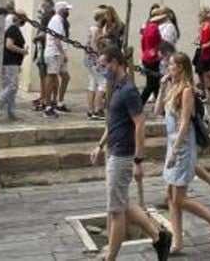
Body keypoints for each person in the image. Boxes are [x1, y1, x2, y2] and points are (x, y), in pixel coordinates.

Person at [89, 45, 172, 261]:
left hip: (123, 156)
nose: (102, 69)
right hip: (114, 150)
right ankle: (158, 237)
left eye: (104, 65)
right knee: (122, 203)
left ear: (116, 63)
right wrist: (100, 145)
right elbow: (114, 123)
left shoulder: (128, 91)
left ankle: (111, 257)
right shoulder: (116, 87)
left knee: (116, 211)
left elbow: (140, 124)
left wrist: (138, 160)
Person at [161, 52, 210, 254]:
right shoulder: (172, 89)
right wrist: (162, 86)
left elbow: (185, 124)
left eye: (171, 64)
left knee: (179, 198)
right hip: (172, 145)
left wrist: (176, 151)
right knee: (171, 197)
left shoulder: (187, 91)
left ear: (180, 67)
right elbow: (157, 111)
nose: (168, 67)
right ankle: (177, 242)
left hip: (182, 146)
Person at [42, 1, 72, 118]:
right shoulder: (56, 20)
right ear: (61, 10)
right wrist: (63, 53)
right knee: (52, 77)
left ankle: (59, 102)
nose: (68, 12)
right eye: (66, 9)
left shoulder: (60, 20)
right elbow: (56, 39)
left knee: (65, 77)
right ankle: (47, 105)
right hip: (54, 53)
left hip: (58, 54)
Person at [1, 12, 27, 121]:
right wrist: (22, 51)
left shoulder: (13, 29)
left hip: (12, 62)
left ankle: (11, 113)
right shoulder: (13, 29)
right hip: (10, 62)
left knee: (10, 87)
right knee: (12, 86)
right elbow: (9, 45)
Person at [32, 0, 55, 111]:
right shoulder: (49, 17)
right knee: (45, 75)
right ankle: (44, 97)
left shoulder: (48, 17)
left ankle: (45, 98)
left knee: (44, 75)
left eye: (45, 6)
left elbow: (45, 33)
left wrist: (36, 38)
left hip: (45, 49)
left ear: (50, 6)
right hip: (44, 49)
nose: (43, 8)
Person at [139, 4, 163, 105]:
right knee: (151, 84)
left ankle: (159, 104)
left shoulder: (147, 27)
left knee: (155, 83)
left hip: (147, 56)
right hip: (152, 58)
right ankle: (139, 103)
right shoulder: (154, 29)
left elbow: (143, 42)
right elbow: (158, 43)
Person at [85, 10, 107, 120]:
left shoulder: (93, 28)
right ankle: (98, 110)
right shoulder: (96, 29)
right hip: (94, 60)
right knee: (103, 83)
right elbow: (93, 43)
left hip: (89, 60)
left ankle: (90, 110)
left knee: (92, 84)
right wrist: (99, 57)